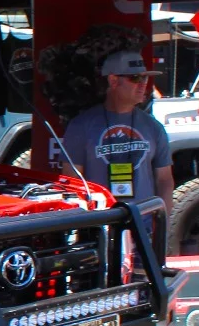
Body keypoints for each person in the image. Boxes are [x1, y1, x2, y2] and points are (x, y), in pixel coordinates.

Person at [61, 51, 173, 217]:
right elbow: (72, 183)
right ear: (113, 81)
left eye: (145, 78)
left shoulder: (153, 127)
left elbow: (164, 181)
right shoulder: (81, 126)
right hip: (100, 228)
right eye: (135, 78)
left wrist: (163, 225)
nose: (143, 84)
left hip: (143, 229)